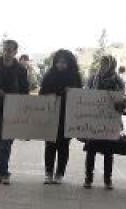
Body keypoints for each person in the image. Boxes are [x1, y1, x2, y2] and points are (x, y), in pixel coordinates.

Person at [0, 39, 29, 185]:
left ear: (15, 52)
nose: (7, 52)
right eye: (5, 49)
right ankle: (2, 171)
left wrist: (15, 97)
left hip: (13, 111)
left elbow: (25, 91)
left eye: (10, 50)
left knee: (7, 143)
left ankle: (2, 172)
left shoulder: (21, 70)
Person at [83, 55, 126, 190]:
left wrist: (120, 103)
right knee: (91, 150)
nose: (103, 66)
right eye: (102, 63)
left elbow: (122, 100)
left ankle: (108, 179)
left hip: (110, 121)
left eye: (106, 64)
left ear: (112, 65)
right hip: (94, 120)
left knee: (109, 152)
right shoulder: (93, 79)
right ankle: (88, 178)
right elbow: (85, 95)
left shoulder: (118, 81)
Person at [40, 49, 82, 185]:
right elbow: (42, 94)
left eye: (64, 62)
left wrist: (71, 92)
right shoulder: (49, 75)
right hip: (51, 114)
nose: (61, 64)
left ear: (69, 63)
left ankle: (59, 173)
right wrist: (50, 95)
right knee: (50, 145)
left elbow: (80, 96)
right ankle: (48, 173)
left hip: (67, 116)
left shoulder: (75, 76)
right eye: (58, 62)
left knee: (64, 146)